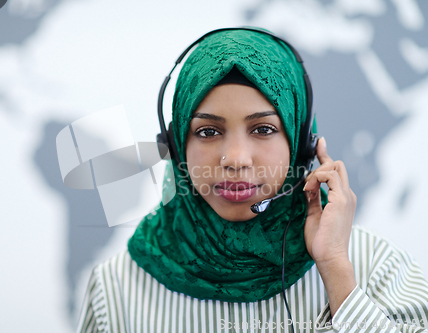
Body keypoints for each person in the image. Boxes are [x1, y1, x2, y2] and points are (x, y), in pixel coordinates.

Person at [76, 28, 428, 333]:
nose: (236, 159)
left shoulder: (374, 267)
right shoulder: (117, 289)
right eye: (208, 131)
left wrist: (337, 274)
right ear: (175, 146)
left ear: (302, 144)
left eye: (263, 129)